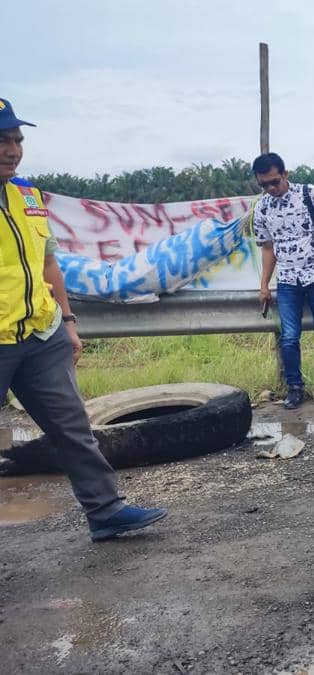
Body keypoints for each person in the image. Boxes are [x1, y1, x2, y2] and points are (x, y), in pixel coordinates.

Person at [0, 97, 166, 541]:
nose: (12, 149)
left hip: (41, 332)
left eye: (17, 139)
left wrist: (68, 322)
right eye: (2, 140)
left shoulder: (27, 196)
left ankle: (107, 512)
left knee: (73, 428)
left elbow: (49, 263)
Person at [251, 152, 314, 409]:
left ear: (285, 174)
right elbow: (267, 248)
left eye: (275, 181)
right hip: (288, 279)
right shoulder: (263, 207)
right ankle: (294, 388)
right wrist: (264, 285)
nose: (270, 188)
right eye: (264, 184)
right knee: (289, 337)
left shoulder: (308, 193)